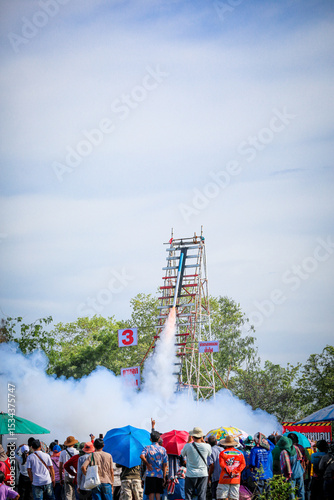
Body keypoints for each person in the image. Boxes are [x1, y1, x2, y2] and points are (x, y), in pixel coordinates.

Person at [180, 426, 211, 500]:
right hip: (203, 473)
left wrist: (188, 441)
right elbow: (209, 454)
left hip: (190, 473)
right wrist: (203, 441)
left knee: (188, 494)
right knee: (202, 495)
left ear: (192, 437)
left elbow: (182, 454)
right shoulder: (207, 446)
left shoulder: (187, 446)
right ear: (201, 437)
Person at [140, 430, 168, 500]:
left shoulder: (147, 448)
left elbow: (141, 456)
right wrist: (164, 477)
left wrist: (147, 464)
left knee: (151, 493)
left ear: (150, 439)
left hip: (150, 474)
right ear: (159, 439)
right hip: (159, 474)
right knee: (158, 493)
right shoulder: (163, 449)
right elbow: (165, 465)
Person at [216, 435, 245, 500]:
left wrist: (230, 472)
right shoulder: (240, 453)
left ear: (226, 444)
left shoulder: (222, 453)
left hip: (224, 478)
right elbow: (243, 465)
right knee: (234, 498)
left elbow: (222, 465)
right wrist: (235, 472)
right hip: (236, 478)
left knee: (222, 497)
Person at [278, 436, 305, 500]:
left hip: (291, 476)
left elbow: (284, 467)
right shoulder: (295, 448)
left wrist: (284, 477)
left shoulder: (284, 452)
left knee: (291, 493)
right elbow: (300, 458)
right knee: (301, 492)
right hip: (299, 472)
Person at [249, 432, 274, 498]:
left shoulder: (253, 450)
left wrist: (251, 467)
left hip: (258, 475)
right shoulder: (267, 449)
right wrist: (265, 439)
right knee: (268, 495)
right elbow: (273, 446)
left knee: (259, 494)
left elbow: (252, 463)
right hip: (267, 475)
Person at [207, 436, 222, 500]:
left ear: (208, 443)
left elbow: (212, 466)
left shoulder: (210, 451)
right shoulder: (222, 449)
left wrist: (209, 476)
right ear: (216, 442)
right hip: (224, 476)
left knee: (214, 496)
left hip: (216, 477)